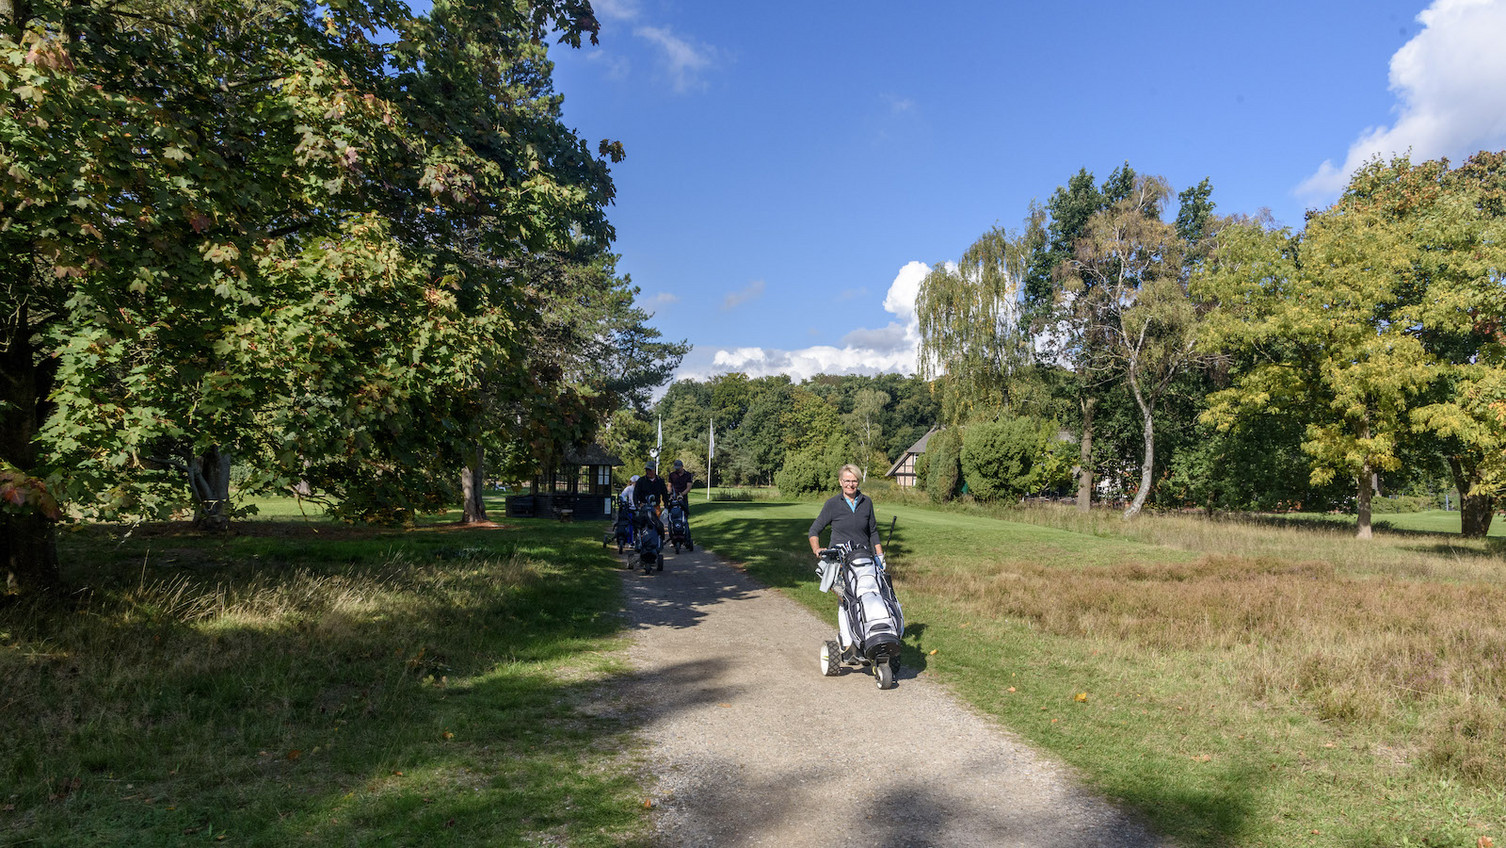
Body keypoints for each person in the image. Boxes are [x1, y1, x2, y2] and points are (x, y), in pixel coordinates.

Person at [808, 464, 884, 563]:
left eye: (854, 481)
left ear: (858, 482)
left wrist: (880, 555)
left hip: (863, 556)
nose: (850, 484)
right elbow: (814, 530)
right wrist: (816, 549)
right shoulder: (832, 504)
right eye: (847, 481)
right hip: (838, 559)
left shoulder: (867, 502)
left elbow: (873, 532)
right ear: (840, 482)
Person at [633, 462, 670, 532]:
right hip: (643, 507)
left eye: (650, 470)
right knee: (641, 526)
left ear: (654, 470)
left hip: (655, 507)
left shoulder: (660, 481)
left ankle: (658, 541)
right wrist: (637, 505)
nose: (648, 472)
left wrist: (666, 507)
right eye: (647, 470)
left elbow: (665, 495)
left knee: (658, 526)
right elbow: (635, 494)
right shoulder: (641, 481)